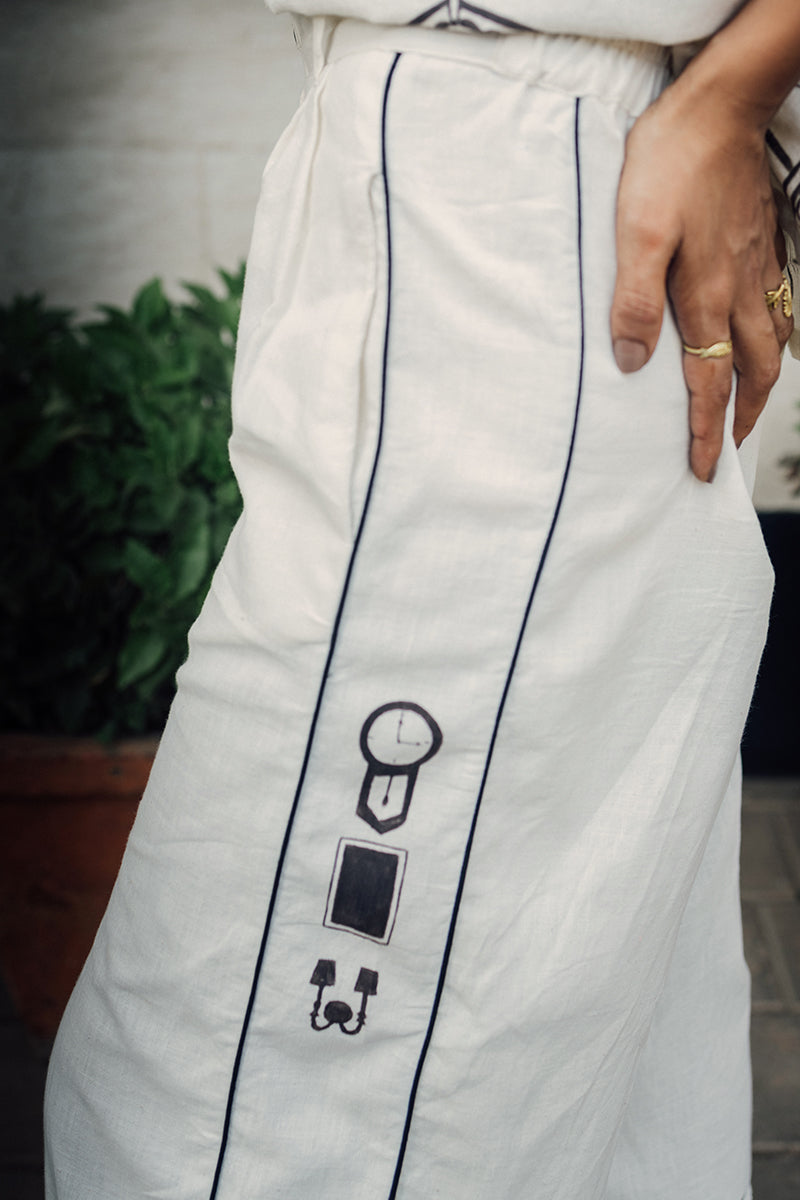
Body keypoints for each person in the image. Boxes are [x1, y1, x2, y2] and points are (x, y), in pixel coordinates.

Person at [43, 2, 800, 1198]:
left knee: (226, 1107)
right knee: (590, 1062)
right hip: (502, 172)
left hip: (518, 194)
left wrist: (729, 96)